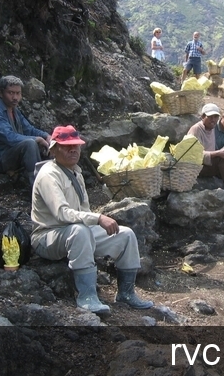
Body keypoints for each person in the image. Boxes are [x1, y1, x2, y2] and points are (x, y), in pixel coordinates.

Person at [31, 125, 153, 314]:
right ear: (54, 149)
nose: (73, 150)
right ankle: (87, 296)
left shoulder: (75, 172)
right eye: (66, 146)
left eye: (76, 146)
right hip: (48, 236)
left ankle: (126, 293)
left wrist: (95, 221)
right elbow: (62, 213)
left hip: (74, 233)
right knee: (80, 231)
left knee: (126, 234)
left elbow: (82, 211)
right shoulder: (49, 174)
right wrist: (98, 218)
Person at [0, 75, 51, 186]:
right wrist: (37, 139)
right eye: (11, 93)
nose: (15, 97)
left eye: (18, 93)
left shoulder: (14, 110)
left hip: (11, 152)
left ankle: (58, 182)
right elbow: (10, 137)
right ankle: (38, 187)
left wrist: (46, 136)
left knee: (55, 143)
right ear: (1, 93)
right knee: (30, 144)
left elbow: (29, 129)